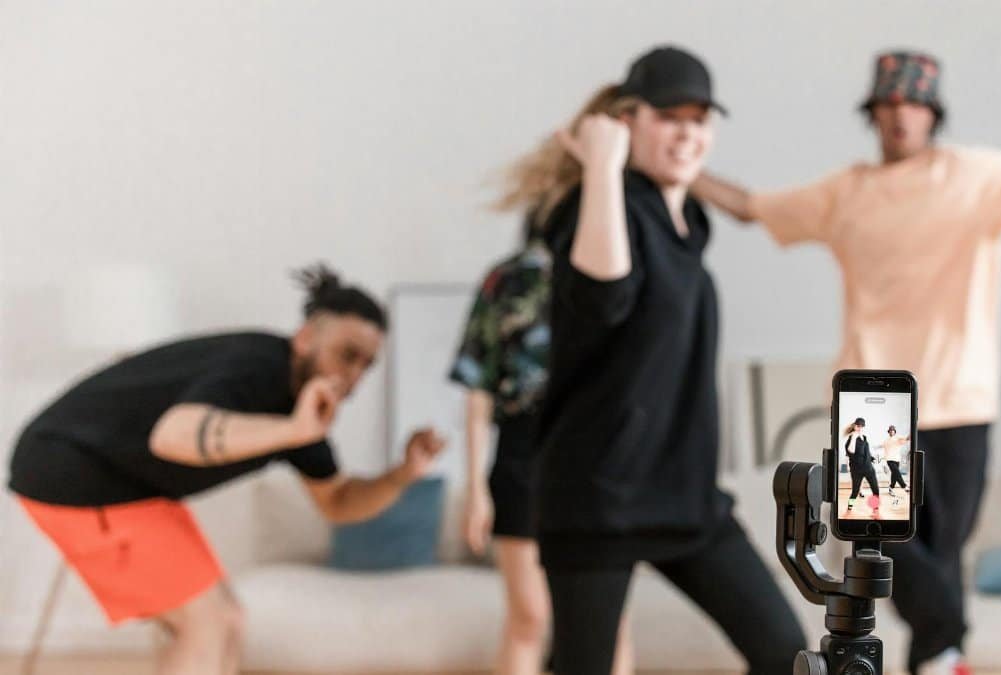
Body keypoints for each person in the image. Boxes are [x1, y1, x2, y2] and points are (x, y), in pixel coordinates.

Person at [690, 49, 1001, 675]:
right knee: (880, 545)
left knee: (943, 552)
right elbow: (749, 206)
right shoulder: (845, 193)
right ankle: (950, 643)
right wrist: (674, 164)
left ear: (933, 114)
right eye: (890, 104)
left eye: (914, 104)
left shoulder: (975, 178)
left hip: (960, 398)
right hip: (871, 401)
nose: (902, 116)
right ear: (874, 114)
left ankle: (938, 658)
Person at [8, 264, 445, 675]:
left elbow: (338, 502)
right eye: (347, 355)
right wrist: (292, 430)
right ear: (306, 338)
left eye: (366, 365)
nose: (353, 376)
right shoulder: (256, 366)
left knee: (229, 619)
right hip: (72, 467)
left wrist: (403, 473)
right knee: (207, 623)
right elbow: (173, 435)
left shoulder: (304, 415)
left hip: (132, 486)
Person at [531, 45, 808, 674]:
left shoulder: (690, 226)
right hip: (597, 496)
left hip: (685, 497)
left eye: (700, 119)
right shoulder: (597, 205)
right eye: (670, 117)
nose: (687, 133)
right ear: (630, 122)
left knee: (789, 655)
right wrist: (602, 167)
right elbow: (602, 298)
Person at [449, 218, 635, 675]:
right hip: (522, 452)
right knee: (529, 617)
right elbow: (478, 387)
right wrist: (475, 488)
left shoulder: (624, 272)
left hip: (600, 455)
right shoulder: (507, 280)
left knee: (609, 620)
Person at [843, 417, 881, 519]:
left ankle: (875, 509)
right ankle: (849, 506)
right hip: (857, 471)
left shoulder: (865, 438)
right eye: (858, 426)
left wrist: (872, 458)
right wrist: (854, 438)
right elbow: (851, 451)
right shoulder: (850, 439)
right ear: (854, 426)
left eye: (862, 426)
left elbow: (866, 452)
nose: (860, 428)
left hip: (869, 468)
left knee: (875, 490)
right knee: (855, 492)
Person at [880, 425, 910, 494]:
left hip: (897, 460)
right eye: (890, 430)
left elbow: (907, 438)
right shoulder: (886, 440)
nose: (891, 431)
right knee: (897, 472)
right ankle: (904, 486)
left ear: (894, 431)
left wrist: (912, 431)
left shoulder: (898, 437)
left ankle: (891, 487)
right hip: (889, 459)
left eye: (893, 430)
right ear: (888, 431)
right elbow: (882, 446)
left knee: (894, 474)